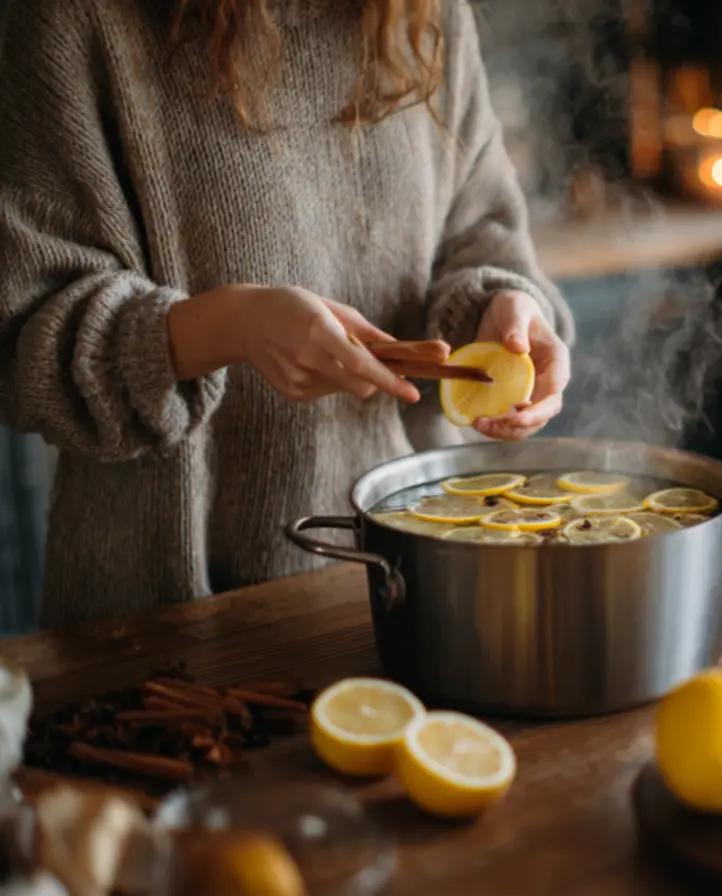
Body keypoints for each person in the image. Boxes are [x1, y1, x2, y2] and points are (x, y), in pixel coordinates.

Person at [0, 0, 574, 628]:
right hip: (162, 616)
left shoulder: (425, 16)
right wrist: (227, 328)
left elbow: (479, 239)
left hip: (416, 583)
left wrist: (497, 313)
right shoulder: (74, 21)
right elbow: (26, 342)